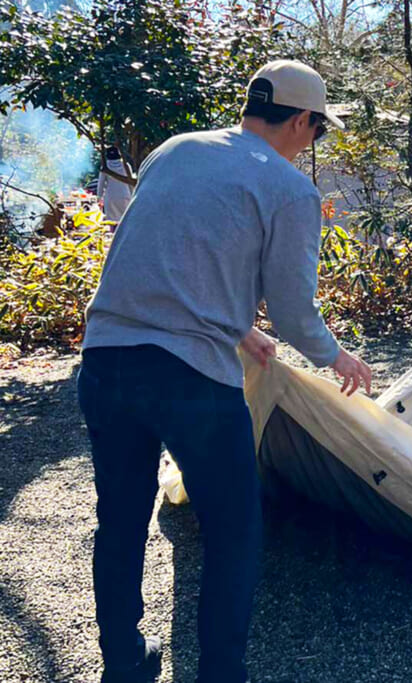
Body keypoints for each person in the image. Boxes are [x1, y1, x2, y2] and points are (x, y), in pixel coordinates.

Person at [78, 60, 371, 683]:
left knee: (122, 517)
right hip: (190, 380)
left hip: (105, 359)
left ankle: (124, 664)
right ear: (301, 121)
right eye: (319, 130)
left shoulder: (174, 150)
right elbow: (294, 309)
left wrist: (241, 328)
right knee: (234, 530)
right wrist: (336, 357)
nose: (314, 142)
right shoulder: (290, 190)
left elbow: (163, 256)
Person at [96, 147, 133, 226]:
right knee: (125, 221)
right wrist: (133, 195)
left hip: (111, 198)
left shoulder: (105, 167)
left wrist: (99, 198)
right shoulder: (126, 165)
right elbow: (131, 182)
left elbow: (101, 184)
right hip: (125, 196)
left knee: (112, 223)